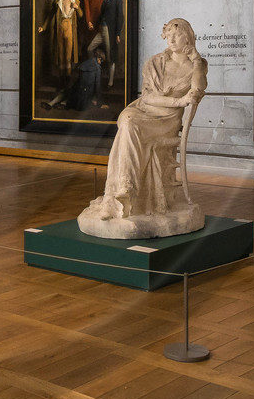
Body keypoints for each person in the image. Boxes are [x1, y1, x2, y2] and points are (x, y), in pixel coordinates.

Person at [78, 18, 208, 239]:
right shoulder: (155, 62)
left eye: (177, 34)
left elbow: (197, 89)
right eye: (168, 35)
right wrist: (178, 101)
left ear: (188, 36)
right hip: (144, 110)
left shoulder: (197, 65)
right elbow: (147, 97)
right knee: (128, 122)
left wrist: (195, 59)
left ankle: (120, 196)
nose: (171, 39)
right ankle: (119, 193)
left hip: (167, 120)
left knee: (129, 127)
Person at [36, 0, 82, 77]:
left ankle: (68, 77)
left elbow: (81, 15)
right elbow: (50, 15)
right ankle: (61, 78)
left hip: (70, 29)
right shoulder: (57, 2)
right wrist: (43, 27)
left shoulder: (75, 1)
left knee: (68, 56)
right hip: (60, 29)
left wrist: (77, 7)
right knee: (60, 55)